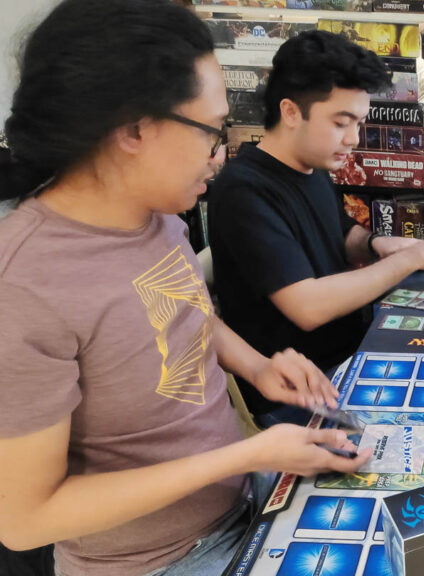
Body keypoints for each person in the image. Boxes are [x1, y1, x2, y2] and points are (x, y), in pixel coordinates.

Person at [0, 2, 371, 575]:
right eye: (211, 131)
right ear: (134, 129)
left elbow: (184, 309)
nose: (220, 156)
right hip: (158, 561)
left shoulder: (153, 212)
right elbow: (26, 519)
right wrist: (245, 455)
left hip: (240, 498)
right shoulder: (24, 286)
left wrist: (258, 368)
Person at [207, 30, 424, 428]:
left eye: (359, 123)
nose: (353, 139)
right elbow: (309, 307)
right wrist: (414, 257)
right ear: (291, 112)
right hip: (300, 394)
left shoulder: (310, 164)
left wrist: (377, 243)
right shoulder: (243, 191)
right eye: (341, 123)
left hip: (352, 353)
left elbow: (339, 231)